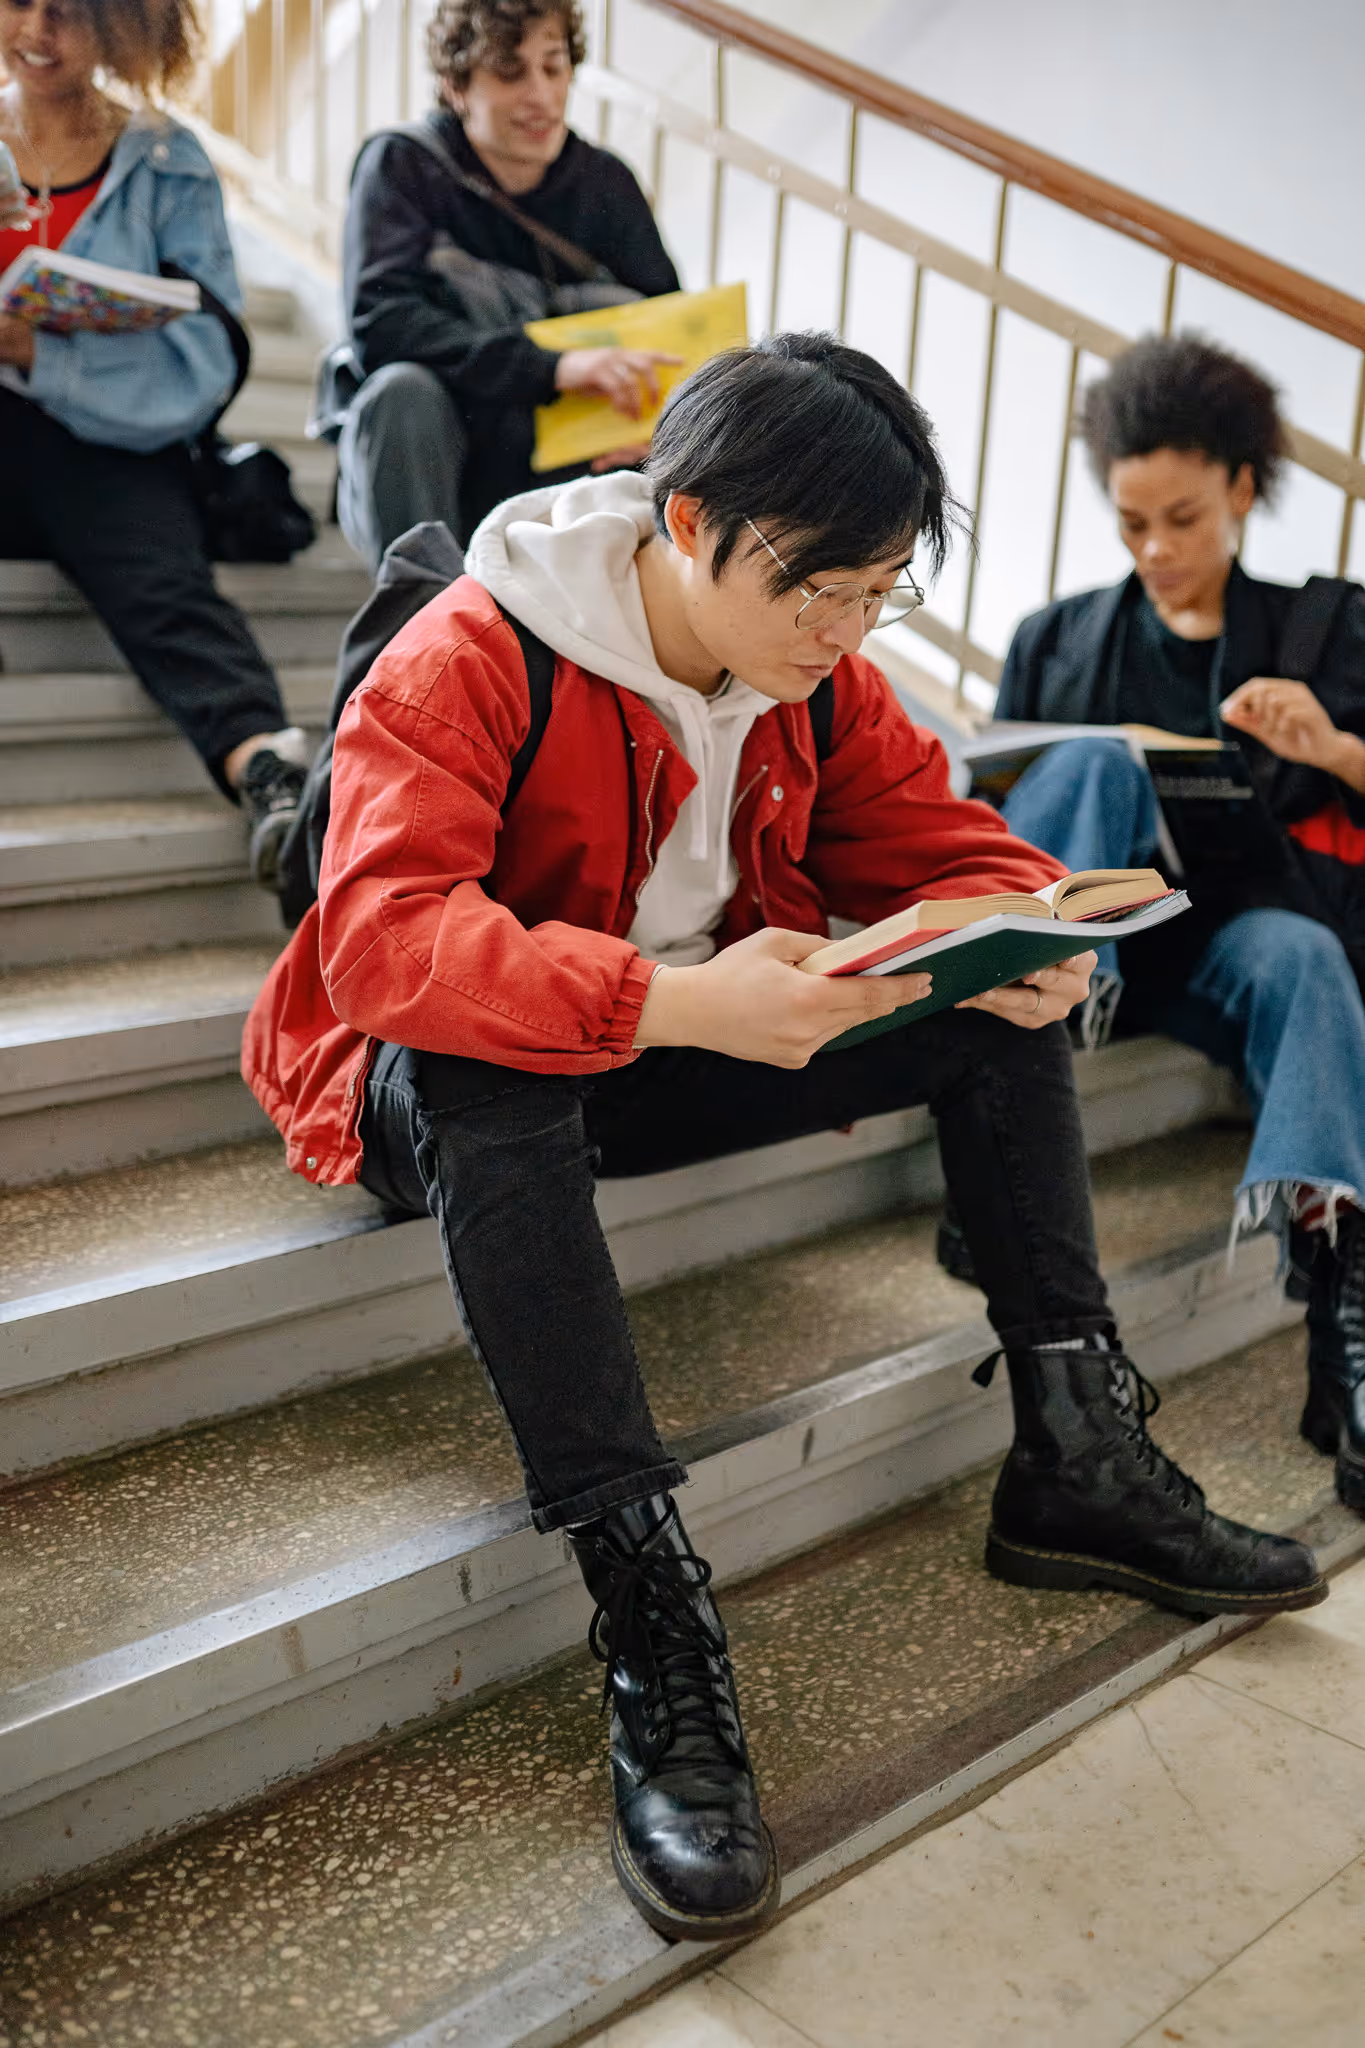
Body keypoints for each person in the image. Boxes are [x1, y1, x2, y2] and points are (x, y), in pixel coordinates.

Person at [243, 334, 1324, 1943]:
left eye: (877, 591)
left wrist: (1030, 918)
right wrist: (672, 1007)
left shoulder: (817, 672)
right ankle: (653, 1618)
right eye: (819, 588)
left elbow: (920, 822)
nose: (845, 629)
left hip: (683, 1024)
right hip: (453, 1063)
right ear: (686, 524)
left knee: (989, 1000)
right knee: (491, 1087)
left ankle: (1075, 1450)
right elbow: (386, 948)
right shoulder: (473, 649)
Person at [983, 332, 1365, 1517]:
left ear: (1244, 489)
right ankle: (1006, 1125)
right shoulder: (1055, 639)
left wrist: (1335, 748)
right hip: (1074, 952)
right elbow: (985, 826)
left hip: (1222, 945)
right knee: (1095, 766)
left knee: (1306, 957)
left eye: (1183, 519)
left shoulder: (1327, 633)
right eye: (1133, 521)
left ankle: (1344, 1301)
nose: (1157, 550)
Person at [0, 0, 309, 884]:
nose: (39, 30)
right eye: (22, 1)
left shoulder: (169, 162)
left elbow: (204, 362)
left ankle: (268, 771)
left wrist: (37, 354)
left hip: (107, 446)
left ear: (125, 26)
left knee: (161, 581)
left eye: (71, 12)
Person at [334, 0, 681, 570]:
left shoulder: (608, 185)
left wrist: (661, 433)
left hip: (571, 463)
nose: (541, 95)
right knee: (400, 390)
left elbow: (671, 330)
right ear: (456, 85)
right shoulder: (403, 165)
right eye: (510, 72)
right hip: (448, 449)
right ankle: (424, 628)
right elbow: (382, 325)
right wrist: (554, 366)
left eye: (553, 66)